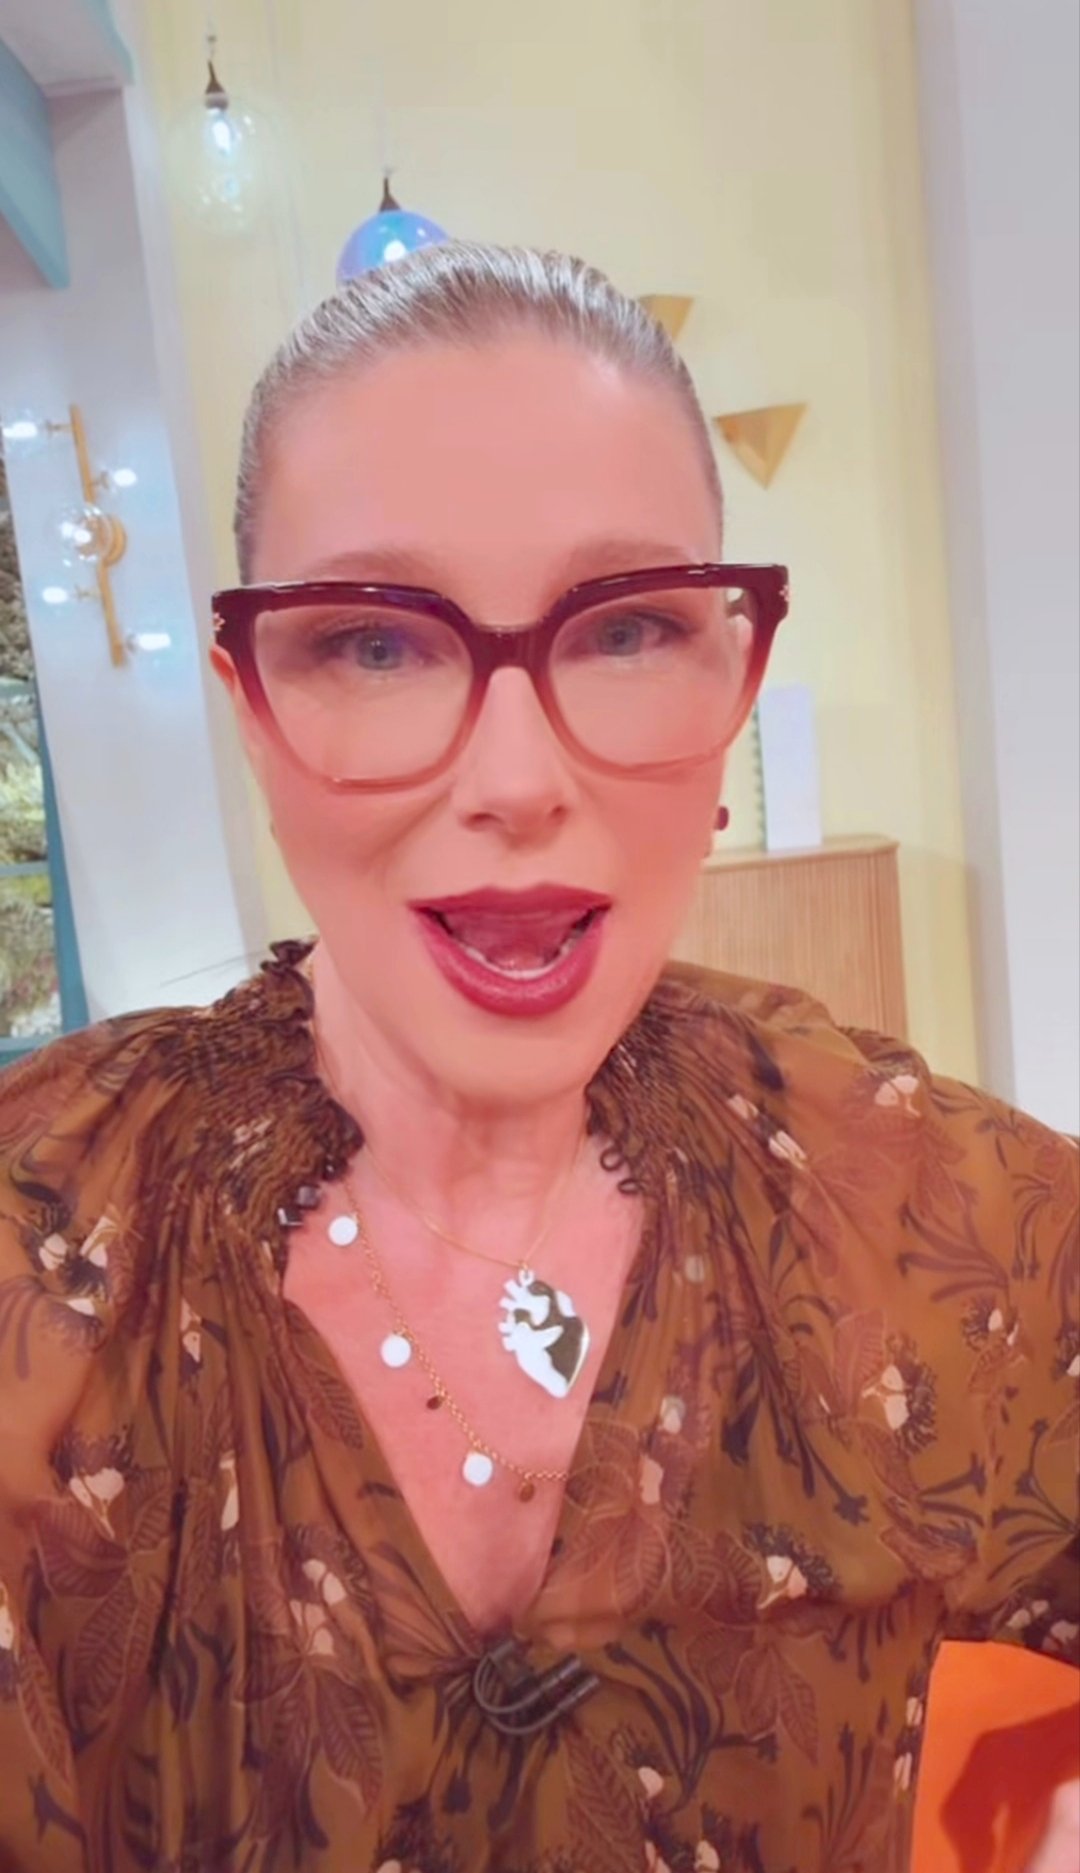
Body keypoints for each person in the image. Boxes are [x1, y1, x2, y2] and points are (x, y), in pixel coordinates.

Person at [0, 243, 1075, 1873]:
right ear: (252, 707)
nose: (516, 777)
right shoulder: (46, 1251)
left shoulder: (914, 1202)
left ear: (735, 678)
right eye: (376, 643)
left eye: (627, 626)